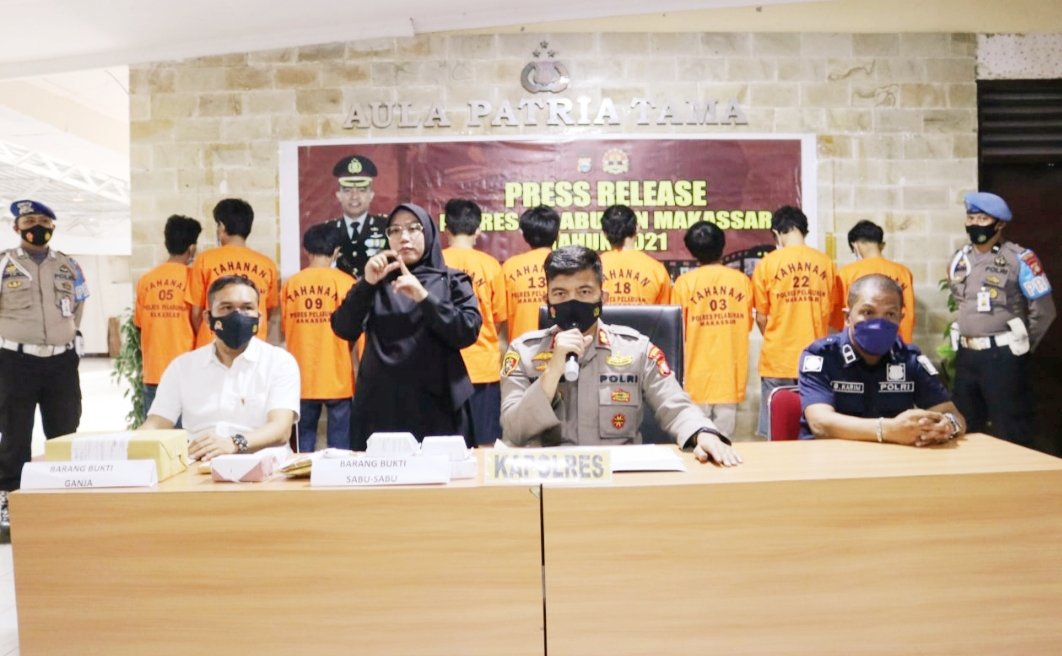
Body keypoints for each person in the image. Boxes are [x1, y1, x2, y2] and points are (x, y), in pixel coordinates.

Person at [500, 245, 741, 466]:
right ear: (547, 300)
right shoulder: (524, 352)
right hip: (551, 479)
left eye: (584, 291)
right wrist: (552, 372)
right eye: (561, 293)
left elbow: (676, 407)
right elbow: (514, 431)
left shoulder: (636, 349)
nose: (572, 302)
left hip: (619, 479)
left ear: (602, 298)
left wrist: (703, 432)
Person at [331, 203, 481, 449]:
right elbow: (344, 328)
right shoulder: (376, 281)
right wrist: (366, 284)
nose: (404, 237)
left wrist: (424, 297)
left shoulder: (452, 280)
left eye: (413, 229)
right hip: (381, 407)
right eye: (395, 230)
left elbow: (467, 331)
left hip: (439, 405)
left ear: (429, 232)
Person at [0, 200, 89, 532]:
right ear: (16, 227)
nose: (37, 227)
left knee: (65, 431)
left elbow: (77, 307)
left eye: (43, 221)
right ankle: (9, 500)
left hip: (60, 364)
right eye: (29, 221)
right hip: (15, 362)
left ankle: (65, 498)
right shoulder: (4, 263)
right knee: (15, 434)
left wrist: (65, 338)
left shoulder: (69, 265)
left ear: (53, 226)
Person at [141, 275, 299, 462]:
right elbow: (156, 425)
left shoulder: (279, 362)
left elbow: (281, 428)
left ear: (259, 317)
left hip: (264, 467)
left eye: (247, 308)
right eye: (227, 307)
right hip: (199, 467)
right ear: (208, 318)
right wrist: (121, 446)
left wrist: (234, 443)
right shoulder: (182, 367)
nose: (237, 316)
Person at [799, 274, 965, 445]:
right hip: (831, 456)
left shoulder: (909, 359)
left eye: (890, 314)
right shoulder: (821, 355)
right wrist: (888, 430)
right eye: (868, 312)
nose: (879, 323)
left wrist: (948, 426)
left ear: (900, 319)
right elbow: (820, 424)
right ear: (847, 317)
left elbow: (952, 414)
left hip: (892, 457)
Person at [947, 191, 1056, 448]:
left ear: (1000, 224)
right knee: (964, 427)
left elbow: (1044, 311)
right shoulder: (959, 259)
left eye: (983, 219)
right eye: (971, 218)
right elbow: (961, 302)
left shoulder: (1020, 259)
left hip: (1003, 356)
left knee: (1010, 427)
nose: (975, 224)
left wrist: (1020, 346)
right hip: (966, 355)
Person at [752, 205, 836, 438]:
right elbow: (830, 311)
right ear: (804, 230)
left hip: (777, 358)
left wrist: (775, 335)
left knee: (776, 430)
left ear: (777, 233)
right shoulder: (826, 263)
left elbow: (761, 316)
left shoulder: (767, 264)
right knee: (815, 428)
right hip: (816, 358)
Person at [671, 221, 753, 436]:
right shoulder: (741, 281)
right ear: (722, 245)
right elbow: (747, 325)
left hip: (696, 376)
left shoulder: (684, 284)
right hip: (729, 374)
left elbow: (678, 332)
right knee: (724, 439)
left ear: (692, 251)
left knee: (696, 436)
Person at [281, 224, 357, 452]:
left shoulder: (291, 284)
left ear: (306, 250)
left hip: (301, 376)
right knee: (340, 451)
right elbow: (357, 333)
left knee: (302, 448)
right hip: (338, 375)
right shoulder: (347, 283)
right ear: (336, 251)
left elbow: (285, 327)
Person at [441, 199, 507, 446]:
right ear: (478, 230)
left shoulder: (435, 262)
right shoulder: (491, 266)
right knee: (486, 444)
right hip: (483, 366)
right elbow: (498, 319)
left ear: (446, 228)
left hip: (444, 369)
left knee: (444, 446)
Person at [186, 198, 279, 348]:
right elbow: (268, 310)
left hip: (213, 345)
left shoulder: (205, 260)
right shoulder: (267, 265)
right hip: (253, 345)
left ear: (222, 227)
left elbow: (196, 313)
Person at [135, 214, 202, 413]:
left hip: (153, 373)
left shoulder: (146, 280)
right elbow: (199, 322)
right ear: (192, 248)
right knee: (188, 432)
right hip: (186, 372)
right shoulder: (194, 279)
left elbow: (139, 325)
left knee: (156, 431)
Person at [832, 220, 916, 343]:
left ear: (856, 246)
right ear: (881, 244)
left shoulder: (847, 273)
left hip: (862, 344)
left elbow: (840, 318)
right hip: (897, 341)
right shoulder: (903, 272)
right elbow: (909, 314)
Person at [324, 154, 389, 279]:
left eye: (362, 190)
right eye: (347, 190)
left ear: (371, 195)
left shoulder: (385, 226)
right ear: (338, 195)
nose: (354, 196)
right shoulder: (327, 230)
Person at [501, 205, 559, 341]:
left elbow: (501, 318)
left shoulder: (510, 267)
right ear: (557, 234)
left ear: (525, 236)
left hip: (521, 346)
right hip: (559, 344)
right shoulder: (568, 264)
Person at [599, 204, 672, 305]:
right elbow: (666, 312)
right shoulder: (656, 270)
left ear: (604, 233)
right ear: (637, 228)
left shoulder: (592, 269)